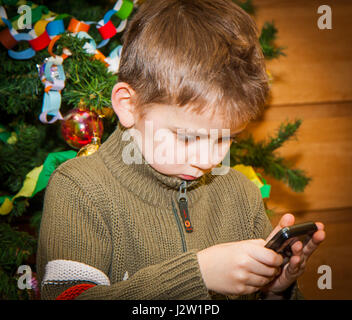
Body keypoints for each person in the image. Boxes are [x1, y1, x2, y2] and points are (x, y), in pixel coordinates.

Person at [36, 0, 325, 300]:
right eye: (188, 138)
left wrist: (274, 290)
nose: (210, 160)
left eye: (227, 138)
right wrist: (197, 275)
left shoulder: (241, 195)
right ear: (128, 105)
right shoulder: (78, 189)